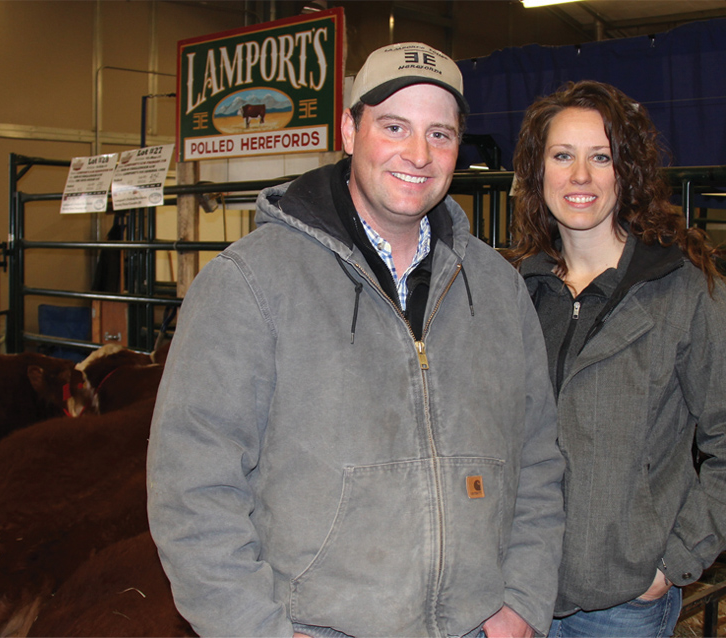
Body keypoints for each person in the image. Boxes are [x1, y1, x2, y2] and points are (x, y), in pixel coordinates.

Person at [147, 42, 565, 638]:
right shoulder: (249, 283)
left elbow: (539, 459)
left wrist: (522, 600)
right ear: (349, 129)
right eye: (394, 126)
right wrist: (252, 628)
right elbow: (192, 486)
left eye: (439, 134)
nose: (418, 154)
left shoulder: (496, 288)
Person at [508, 79, 726, 638]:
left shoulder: (683, 290)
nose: (580, 176)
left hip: (623, 605)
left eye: (600, 157)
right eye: (562, 156)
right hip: (514, 594)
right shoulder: (513, 291)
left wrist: (673, 560)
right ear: (538, 172)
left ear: (625, 172)